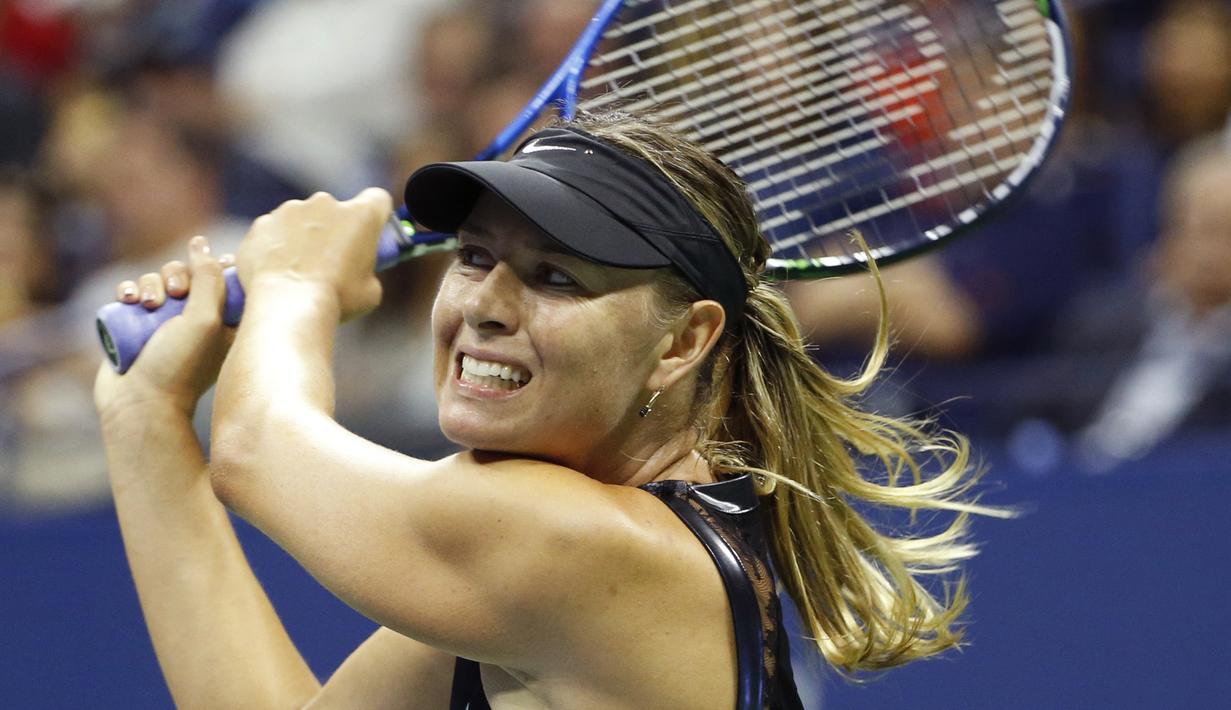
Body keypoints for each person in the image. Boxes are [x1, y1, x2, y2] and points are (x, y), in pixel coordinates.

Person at [94, 113, 995, 709]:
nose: (486, 302)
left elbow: (255, 447)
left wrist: (295, 284)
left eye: (556, 275)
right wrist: (146, 418)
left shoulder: (581, 548)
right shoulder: (556, 565)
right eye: (475, 256)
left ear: (684, 342)